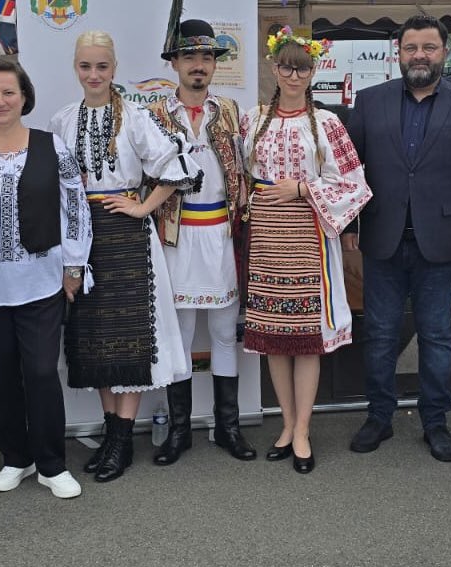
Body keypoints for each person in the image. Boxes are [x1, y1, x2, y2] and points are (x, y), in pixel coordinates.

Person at [50, 30, 200, 482]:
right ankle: (113, 434)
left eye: (102, 66)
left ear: (114, 69)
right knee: (94, 339)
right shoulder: (62, 120)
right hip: (82, 237)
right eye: (85, 66)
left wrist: (141, 206)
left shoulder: (135, 117)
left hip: (129, 237)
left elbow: (178, 168)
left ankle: (120, 440)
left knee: (129, 337)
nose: (94, 74)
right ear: (75, 68)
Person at [0, 59, 92, 499]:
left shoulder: (52, 146)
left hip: (41, 281)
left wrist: (74, 266)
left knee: (42, 371)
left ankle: (51, 463)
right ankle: (16, 457)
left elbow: (76, 207)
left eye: (9, 92)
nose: (0, 101)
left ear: (24, 96)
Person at [346, 15, 451, 462]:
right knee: (382, 335)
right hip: (383, 237)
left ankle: (435, 422)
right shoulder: (369, 102)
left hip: (442, 241)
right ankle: (379, 416)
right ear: (398, 53)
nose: (420, 55)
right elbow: (348, 174)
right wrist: (349, 226)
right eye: (411, 48)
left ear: (443, 52)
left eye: (429, 47)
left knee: (437, 336)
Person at [241, 26, 371, 474]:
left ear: (312, 71)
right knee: (275, 339)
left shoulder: (329, 123)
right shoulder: (253, 119)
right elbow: (240, 177)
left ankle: (302, 431)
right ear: (274, 69)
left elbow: (354, 184)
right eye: (286, 66)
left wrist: (300, 187)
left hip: (309, 234)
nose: (294, 74)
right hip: (266, 237)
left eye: (303, 67)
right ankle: (286, 422)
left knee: (306, 339)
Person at [146, 19, 255, 466]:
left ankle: (227, 427)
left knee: (226, 332)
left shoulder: (232, 110)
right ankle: (179, 431)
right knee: (182, 335)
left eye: (207, 57)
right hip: (175, 236)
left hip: (222, 234)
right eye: (189, 56)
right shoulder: (152, 115)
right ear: (174, 63)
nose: (199, 65)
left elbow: (251, 169)